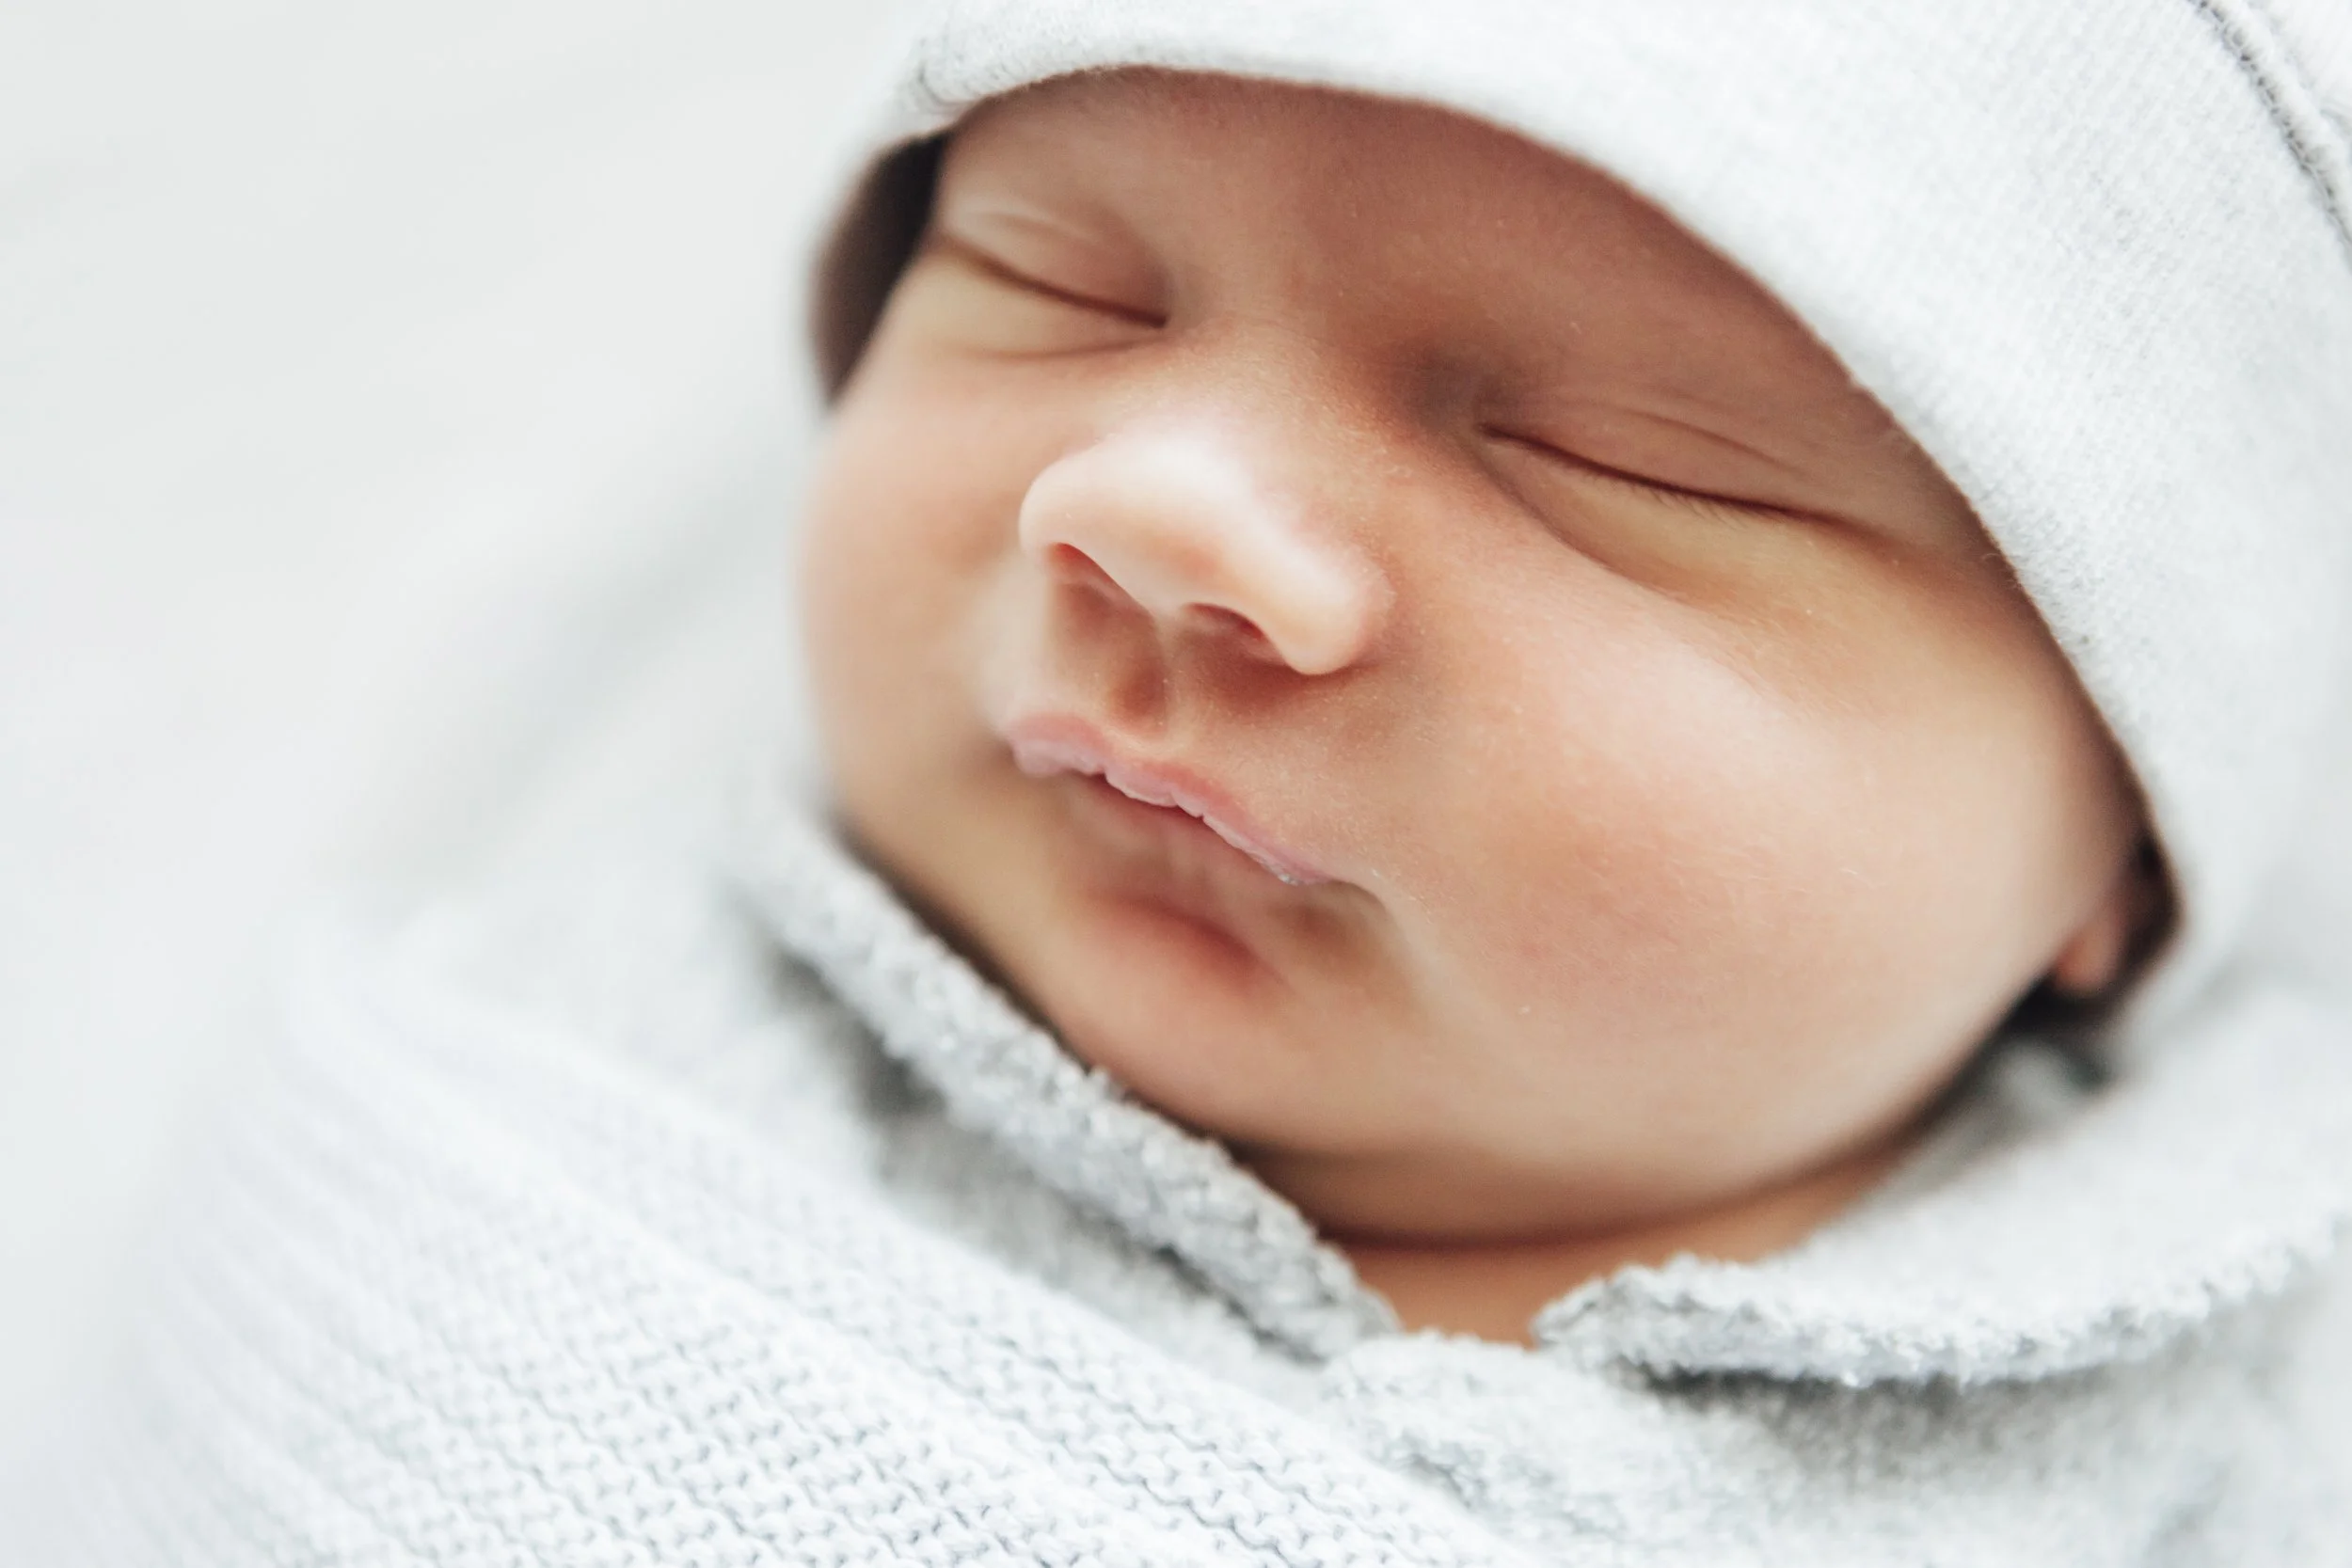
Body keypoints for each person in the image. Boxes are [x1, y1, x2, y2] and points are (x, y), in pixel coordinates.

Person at [18, 2, 2352, 1561]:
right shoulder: (564, 1084)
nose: (1155, 509)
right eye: (1064, 285)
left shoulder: (2249, 1412)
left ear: (2120, 847)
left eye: (1605, 462)